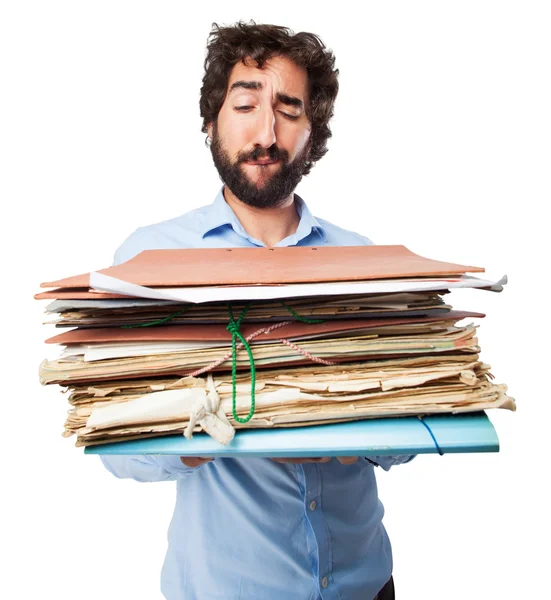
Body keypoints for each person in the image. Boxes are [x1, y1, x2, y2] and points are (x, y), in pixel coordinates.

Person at [101, 21, 413, 600]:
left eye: (289, 110)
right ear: (213, 118)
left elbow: (409, 430)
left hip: (368, 585)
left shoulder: (363, 260)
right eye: (245, 104)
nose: (265, 132)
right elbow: (121, 456)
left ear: (311, 132)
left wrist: (359, 429)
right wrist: (214, 431)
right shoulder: (150, 261)